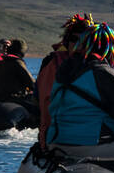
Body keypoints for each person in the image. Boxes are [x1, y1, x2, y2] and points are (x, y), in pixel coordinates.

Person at [45, 23, 114, 168]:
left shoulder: (63, 70)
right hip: (87, 146)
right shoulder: (101, 72)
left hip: (55, 143)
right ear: (110, 47)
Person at [37, 14, 94, 146]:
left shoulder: (98, 66)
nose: (79, 45)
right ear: (67, 41)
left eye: (84, 40)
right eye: (75, 39)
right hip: (58, 135)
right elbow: (45, 103)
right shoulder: (52, 65)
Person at [0, 39, 38, 112]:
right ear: (21, 51)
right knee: (37, 110)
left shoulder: (3, 62)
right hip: (13, 99)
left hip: (0, 98)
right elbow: (31, 83)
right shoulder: (17, 63)